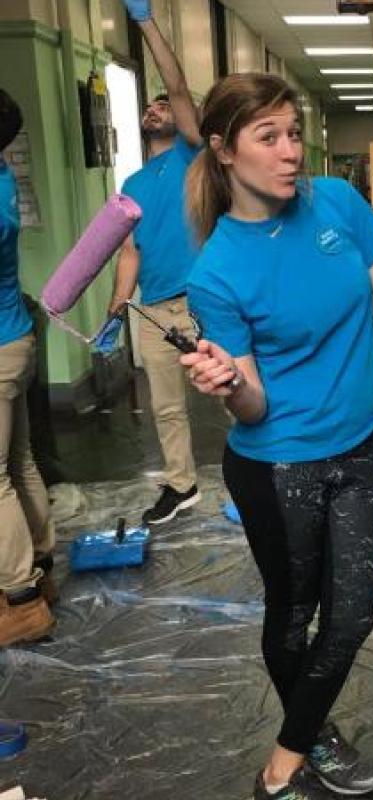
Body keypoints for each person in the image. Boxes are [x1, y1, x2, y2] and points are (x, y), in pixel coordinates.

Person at [180, 72, 373, 800]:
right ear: (225, 151)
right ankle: (310, 742)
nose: (290, 151)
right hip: (277, 467)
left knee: (351, 617)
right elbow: (254, 407)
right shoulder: (216, 274)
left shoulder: (338, 204)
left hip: (355, 448)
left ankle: (282, 759)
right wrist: (229, 383)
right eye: (269, 137)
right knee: (293, 615)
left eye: (293, 133)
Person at [108, 0, 203, 525]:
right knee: (166, 407)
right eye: (150, 106)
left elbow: (180, 87)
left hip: (200, 301)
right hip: (154, 308)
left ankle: (261, 476)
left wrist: (144, 21)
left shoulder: (194, 156)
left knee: (234, 391)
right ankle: (181, 485)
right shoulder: (133, 182)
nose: (156, 108)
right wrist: (116, 305)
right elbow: (131, 249)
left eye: (163, 105)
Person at [0, 88, 57, 647]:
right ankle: (41, 566)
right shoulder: (2, 178)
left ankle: (19, 600)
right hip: (14, 337)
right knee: (18, 461)